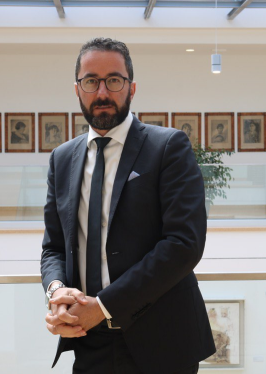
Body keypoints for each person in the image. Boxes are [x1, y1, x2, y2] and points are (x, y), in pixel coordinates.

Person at [41, 38, 215, 374]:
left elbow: (184, 244)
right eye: (90, 81)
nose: (102, 92)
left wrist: (103, 306)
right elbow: (54, 248)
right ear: (77, 90)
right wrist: (57, 292)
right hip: (87, 340)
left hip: (162, 343)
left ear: (131, 88)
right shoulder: (62, 159)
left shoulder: (168, 147)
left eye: (114, 80)